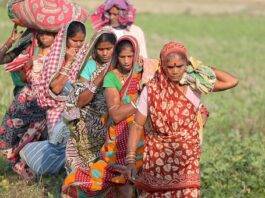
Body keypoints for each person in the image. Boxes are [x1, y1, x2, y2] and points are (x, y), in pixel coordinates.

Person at [124, 41, 238, 197]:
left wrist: (201, 69)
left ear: (187, 65)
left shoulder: (194, 84)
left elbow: (232, 81)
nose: (175, 71)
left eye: (180, 66)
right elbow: (137, 125)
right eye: (170, 67)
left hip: (187, 160)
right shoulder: (151, 89)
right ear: (162, 66)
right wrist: (130, 160)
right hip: (158, 160)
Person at [62, 35, 145, 197]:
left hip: (141, 136)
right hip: (119, 138)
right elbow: (115, 114)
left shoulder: (143, 73)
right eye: (122, 57)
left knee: (139, 178)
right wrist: (140, 101)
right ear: (117, 57)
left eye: (130, 57)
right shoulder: (111, 77)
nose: (127, 61)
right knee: (114, 177)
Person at [18, 21, 88, 177]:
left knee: (75, 146)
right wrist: (69, 62)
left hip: (77, 108)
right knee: (57, 146)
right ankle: (51, 174)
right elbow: (54, 89)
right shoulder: (56, 57)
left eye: (81, 41)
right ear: (65, 39)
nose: (77, 44)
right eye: (74, 40)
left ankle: (70, 177)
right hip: (56, 110)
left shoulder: (84, 54)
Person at [0, 26, 56, 180]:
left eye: (49, 32)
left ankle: (35, 170)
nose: (44, 36)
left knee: (38, 137)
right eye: (42, 32)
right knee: (15, 135)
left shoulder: (59, 56)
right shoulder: (30, 49)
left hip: (44, 103)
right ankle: (20, 167)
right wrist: (10, 41)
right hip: (24, 100)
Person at [65, 30, 117, 172]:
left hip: (113, 117)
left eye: (108, 49)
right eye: (101, 49)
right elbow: (79, 101)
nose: (105, 53)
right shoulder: (91, 66)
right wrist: (100, 77)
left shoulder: (122, 65)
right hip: (90, 119)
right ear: (94, 48)